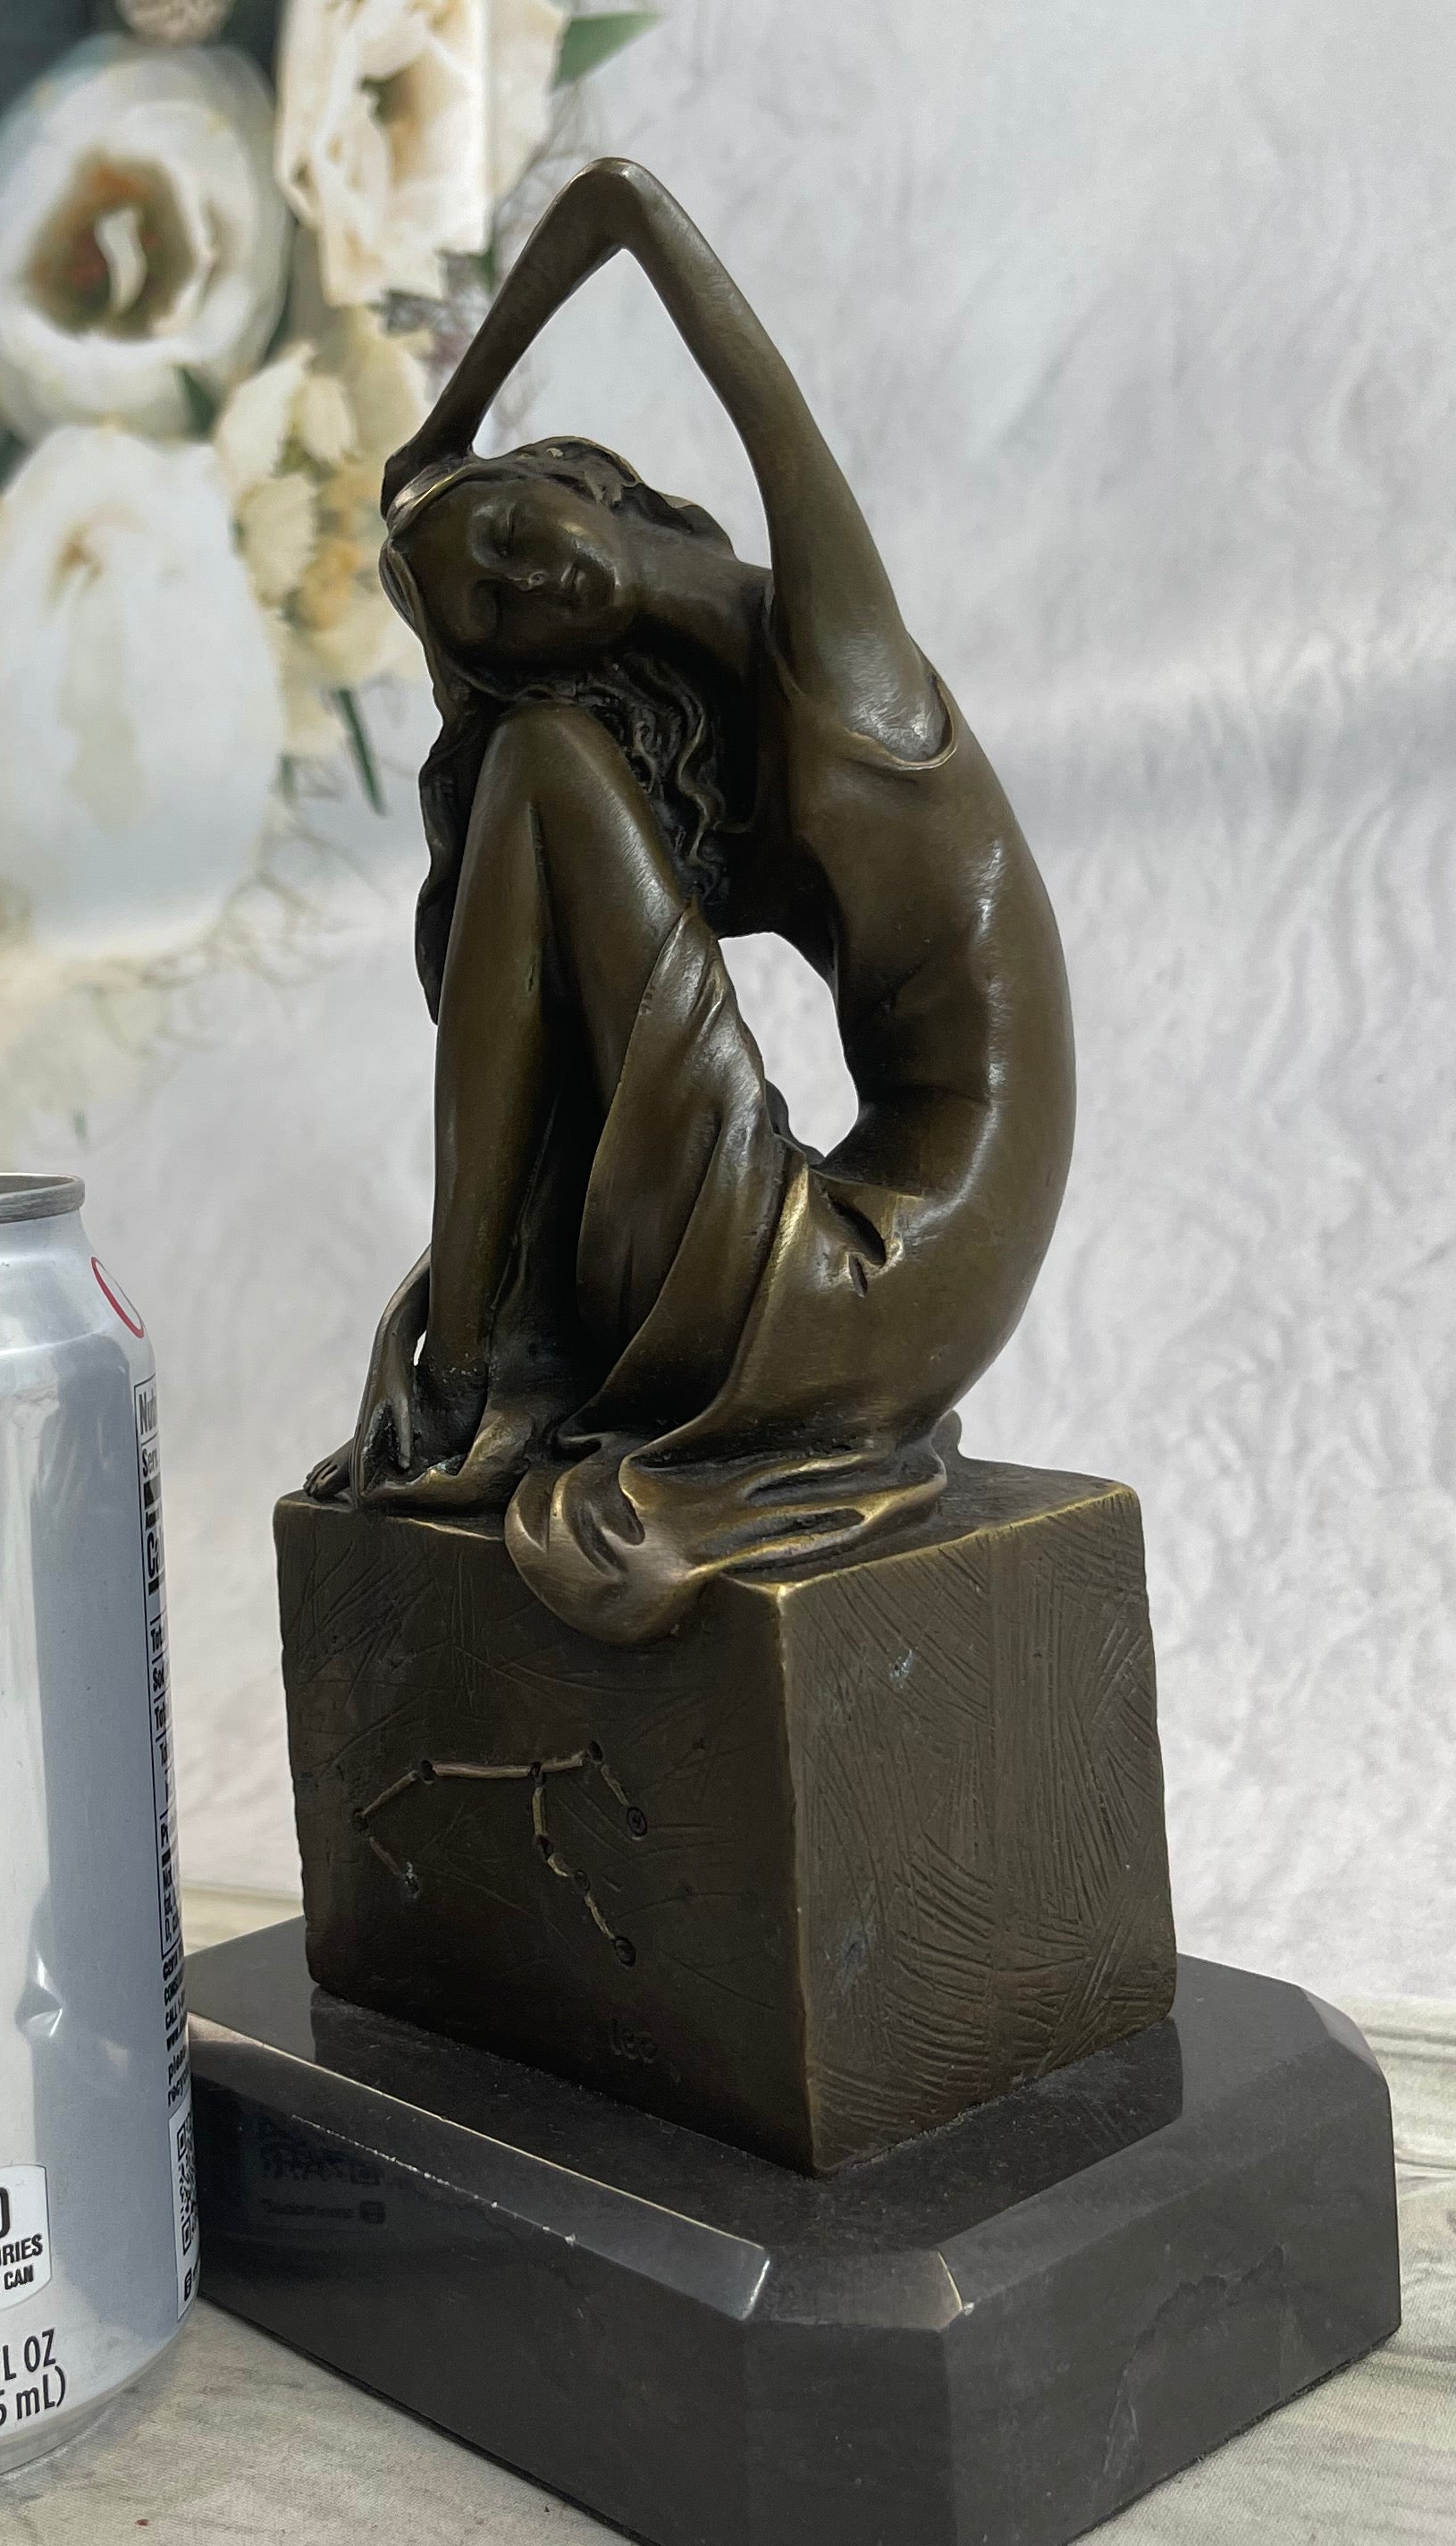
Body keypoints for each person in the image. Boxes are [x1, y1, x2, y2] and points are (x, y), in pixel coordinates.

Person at [313, 159, 1076, 1648]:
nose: (528, 585)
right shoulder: (686, 740)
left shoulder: (839, 651)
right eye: (492, 618)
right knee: (534, 761)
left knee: (536, 764)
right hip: (864, 1283)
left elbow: (622, 204)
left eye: (506, 532)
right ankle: (482, 1348)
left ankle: (468, 1367)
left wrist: (441, 426)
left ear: (577, 482)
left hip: (897, 1266)